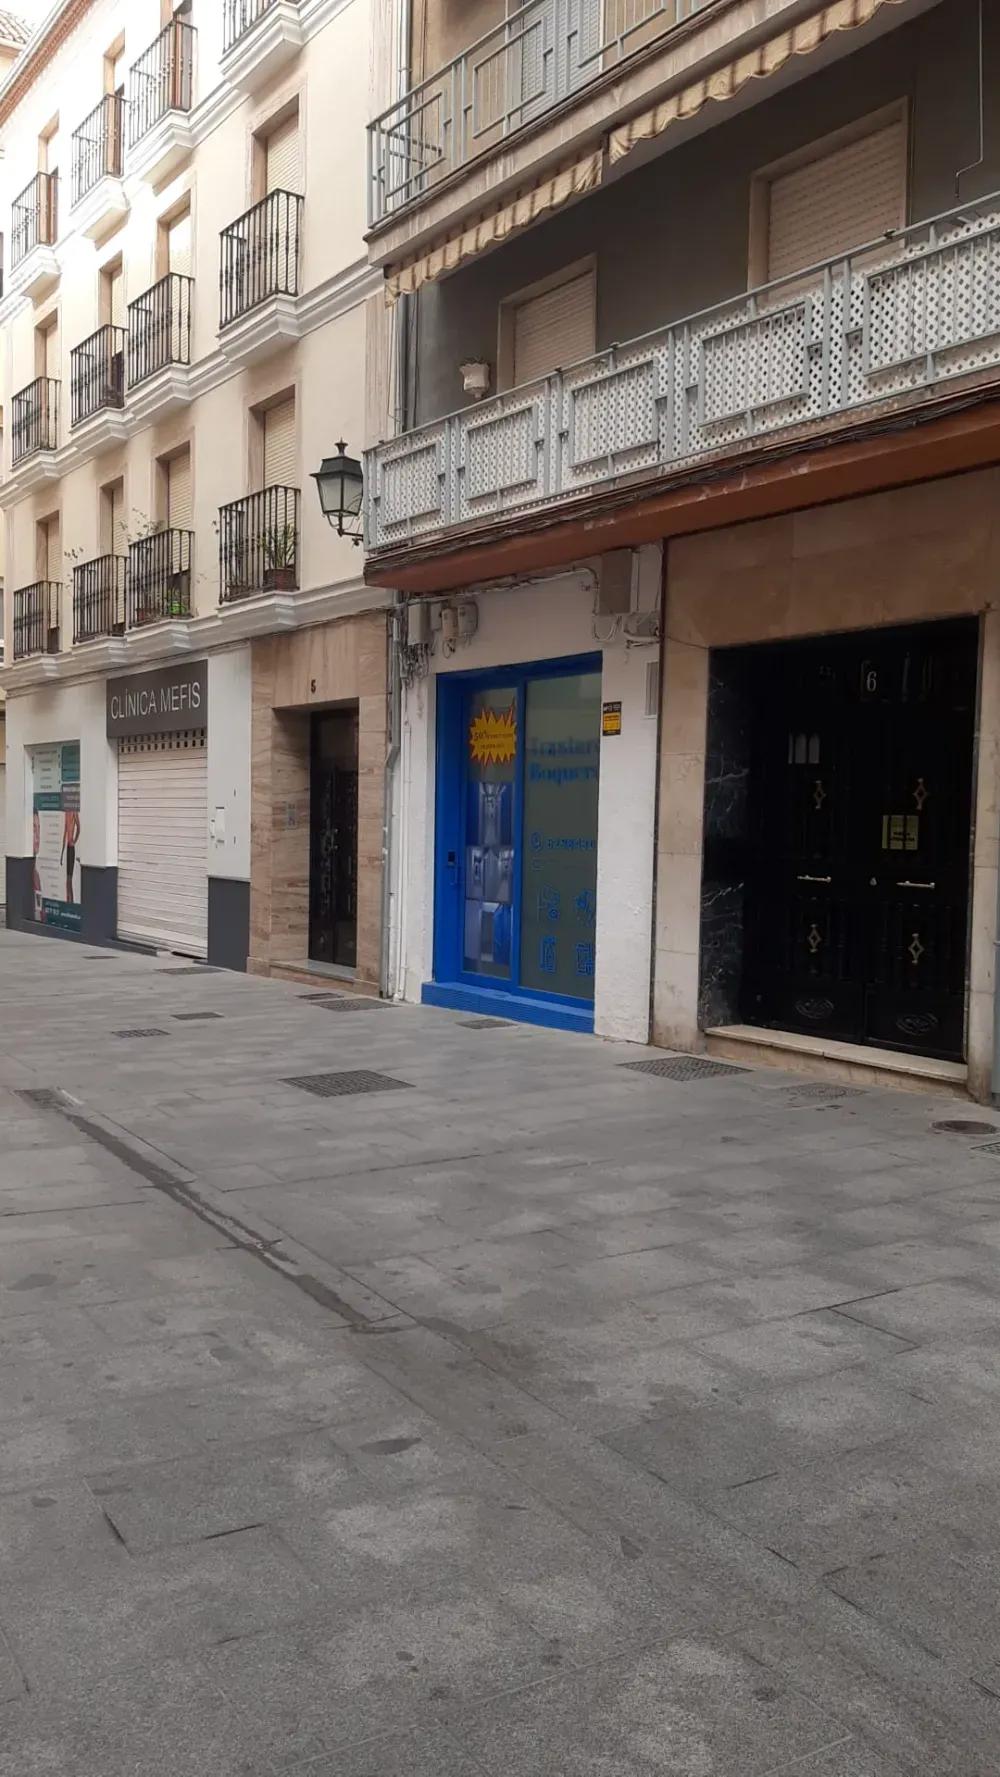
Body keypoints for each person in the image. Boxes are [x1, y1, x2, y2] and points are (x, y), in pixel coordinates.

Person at [61, 807, 80, 905]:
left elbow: (79, 828)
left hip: (71, 847)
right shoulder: (66, 813)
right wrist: (61, 853)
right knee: (67, 881)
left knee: (69, 880)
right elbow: (64, 833)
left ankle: (70, 903)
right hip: (68, 848)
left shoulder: (74, 812)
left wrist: (74, 841)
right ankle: (68, 901)